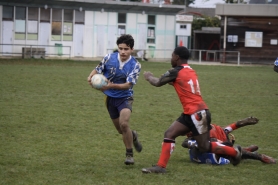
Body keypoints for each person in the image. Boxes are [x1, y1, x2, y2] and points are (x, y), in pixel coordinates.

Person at [141, 46, 242, 174]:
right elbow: (182, 83)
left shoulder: (175, 71)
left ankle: (234, 153)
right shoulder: (190, 70)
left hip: (197, 114)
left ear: (177, 57)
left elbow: (157, 82)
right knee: (169, 134)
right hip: (192, 112)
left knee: (204, 146)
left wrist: (149, 76)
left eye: (172, 56)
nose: (171, 58)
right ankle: (161, 167)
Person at [87, 34, 142, 165]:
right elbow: (97, 69)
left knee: (124, 124)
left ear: (132, 49)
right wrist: (90, 77)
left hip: (125, 97)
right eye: (120, 48)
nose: (123, 52)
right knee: (121, 130)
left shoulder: (135, 65)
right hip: (110, 98)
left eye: (126, 49)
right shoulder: (108, 58)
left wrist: (111, 85)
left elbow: (128, 84)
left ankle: (129, 155)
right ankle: (132, 136)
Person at [182, 117, 276, 164]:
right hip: (218, 145)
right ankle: (252, 153)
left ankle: (252, 153)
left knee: (229, 152)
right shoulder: (199, 133)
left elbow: (185, 142)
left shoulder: (203, 131)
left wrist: (241, 123)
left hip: (219, 143)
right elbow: (185, 142)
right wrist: (193, 144)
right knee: (230, 151)